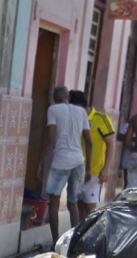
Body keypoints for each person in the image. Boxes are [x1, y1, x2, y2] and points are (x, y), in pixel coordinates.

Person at [39, 85, 92, 243]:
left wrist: (41, 163)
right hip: (78, 162)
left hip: (61, 161)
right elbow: (89, 142)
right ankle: (74, 243)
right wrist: (88, 168)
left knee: (53, 202)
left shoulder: (53, 110)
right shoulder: (81, 112)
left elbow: (50, 138)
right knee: (73, 203)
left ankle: (56, 242)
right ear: (67, 97)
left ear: (55, 98)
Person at [69, 90, 116, 219]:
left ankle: (91, 235)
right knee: (78, 206)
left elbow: (111, 143)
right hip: (77, 170)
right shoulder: (74, 119)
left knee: (90, 209)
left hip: (95, 173)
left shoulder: (101, 119)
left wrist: (106, 168)